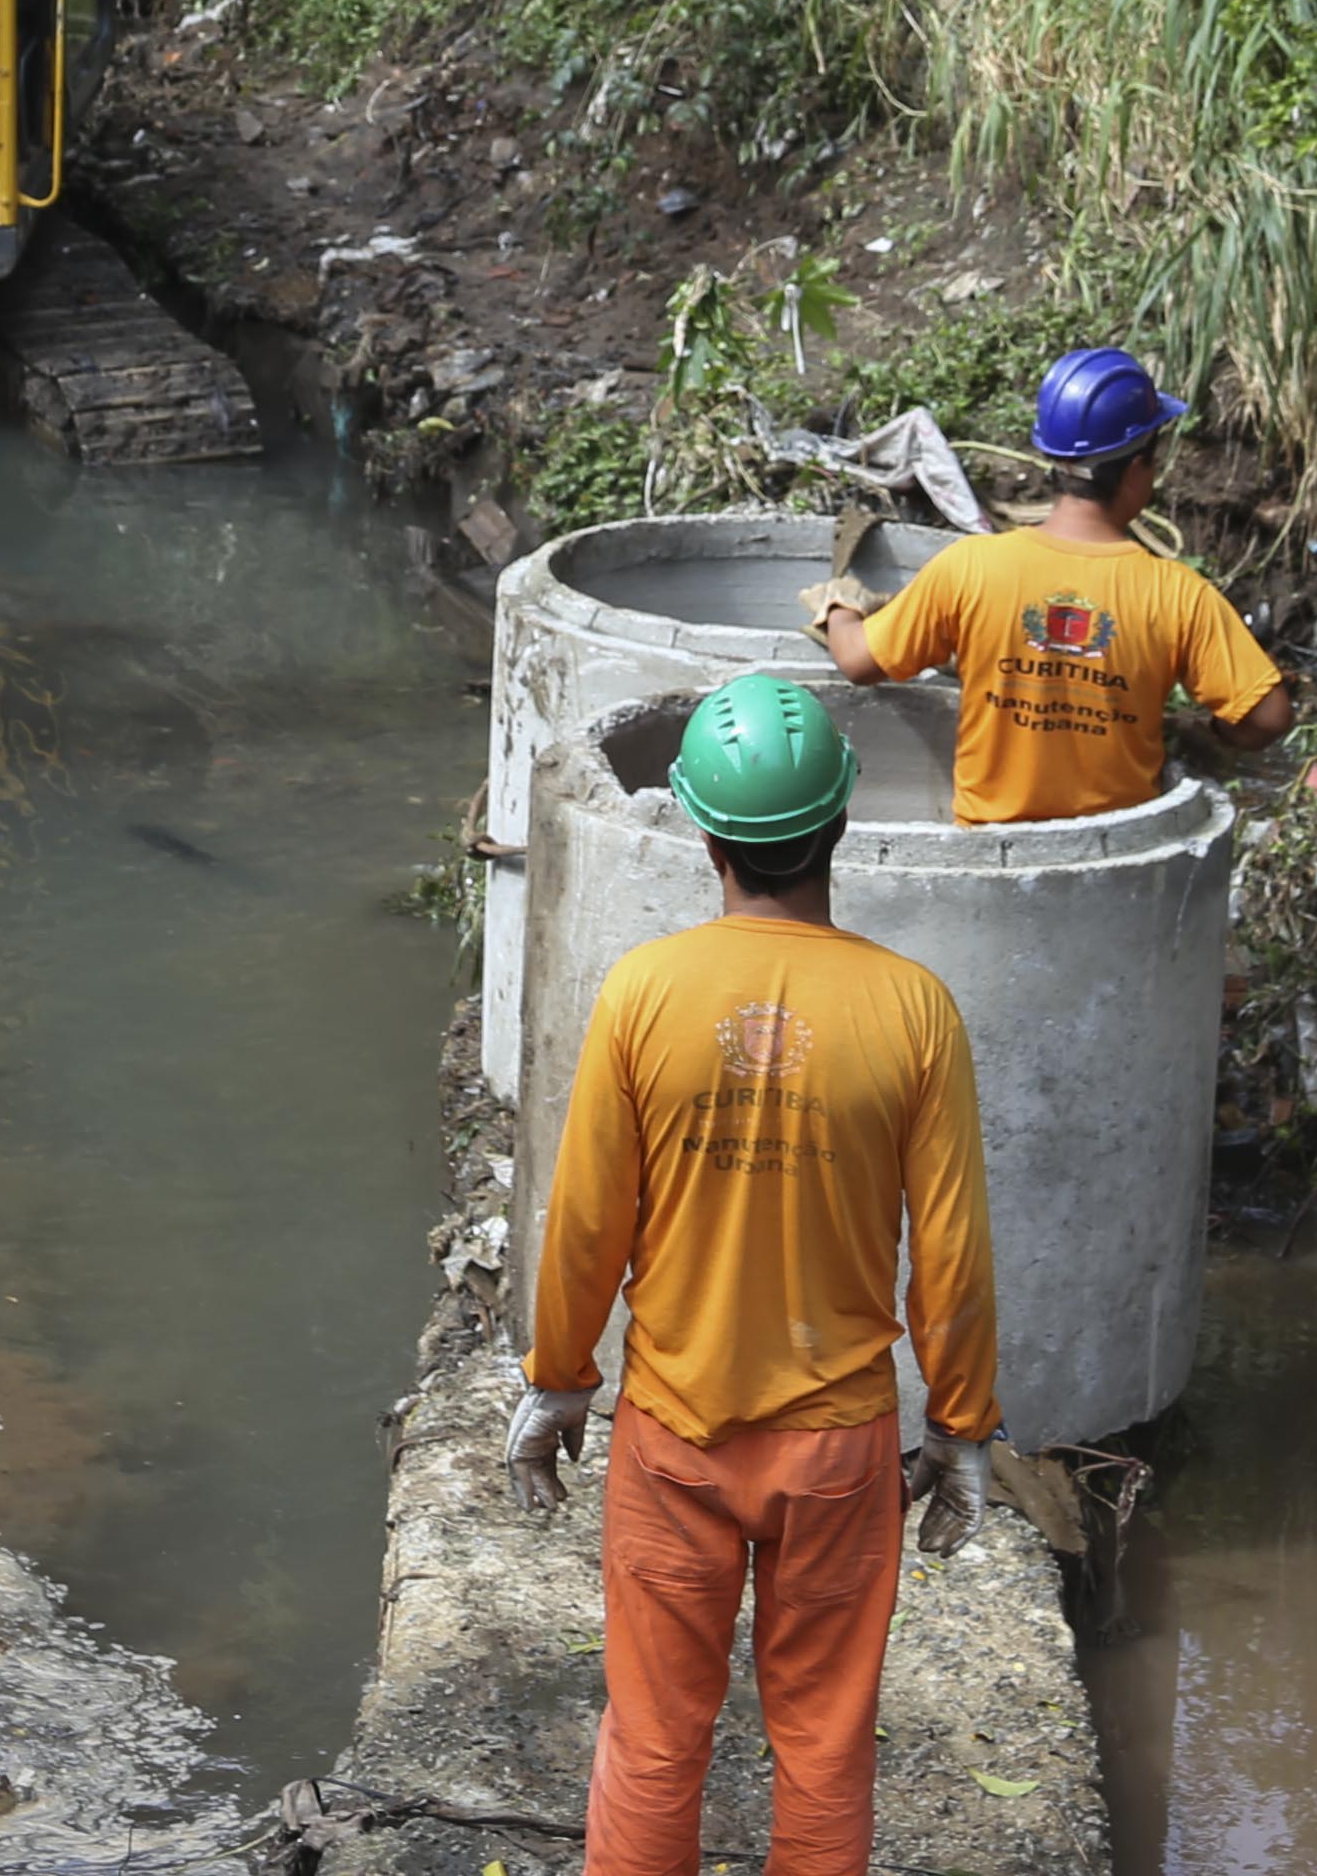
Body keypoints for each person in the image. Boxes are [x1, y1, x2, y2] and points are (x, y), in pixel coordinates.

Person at [514, 674, 1001, 1876]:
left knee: (653, 1740)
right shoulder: (915, 1010)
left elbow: (585, 1225)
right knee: (826, 1746)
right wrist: (961, 1430)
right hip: (836, 1452)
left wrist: (559, 1382)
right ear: (840, 823)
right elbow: (951, 1253)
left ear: (701, 832)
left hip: (673, 1437)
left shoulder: (641, 994)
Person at [817, 346, 1295, 818]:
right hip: (1115, 851)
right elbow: (1268, 717)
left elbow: (858, 662)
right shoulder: (1178, 594)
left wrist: (841, 606)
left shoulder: (971, 567)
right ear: (1136, 468)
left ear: (1052, 458)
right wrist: (1207, 732)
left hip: (992, 852)